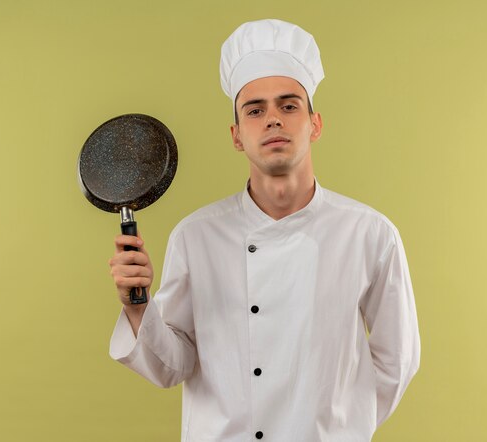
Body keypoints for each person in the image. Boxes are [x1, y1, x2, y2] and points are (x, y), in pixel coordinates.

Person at [108, 19, 420, 441]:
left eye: (289, 105)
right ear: (237, 136)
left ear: (315, 124)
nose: (273, 120)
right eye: (255, 110)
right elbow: (172, 366)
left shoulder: (370, 234)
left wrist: (339, 429)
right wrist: (138, 310)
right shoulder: (196, 236)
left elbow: (397, 361)